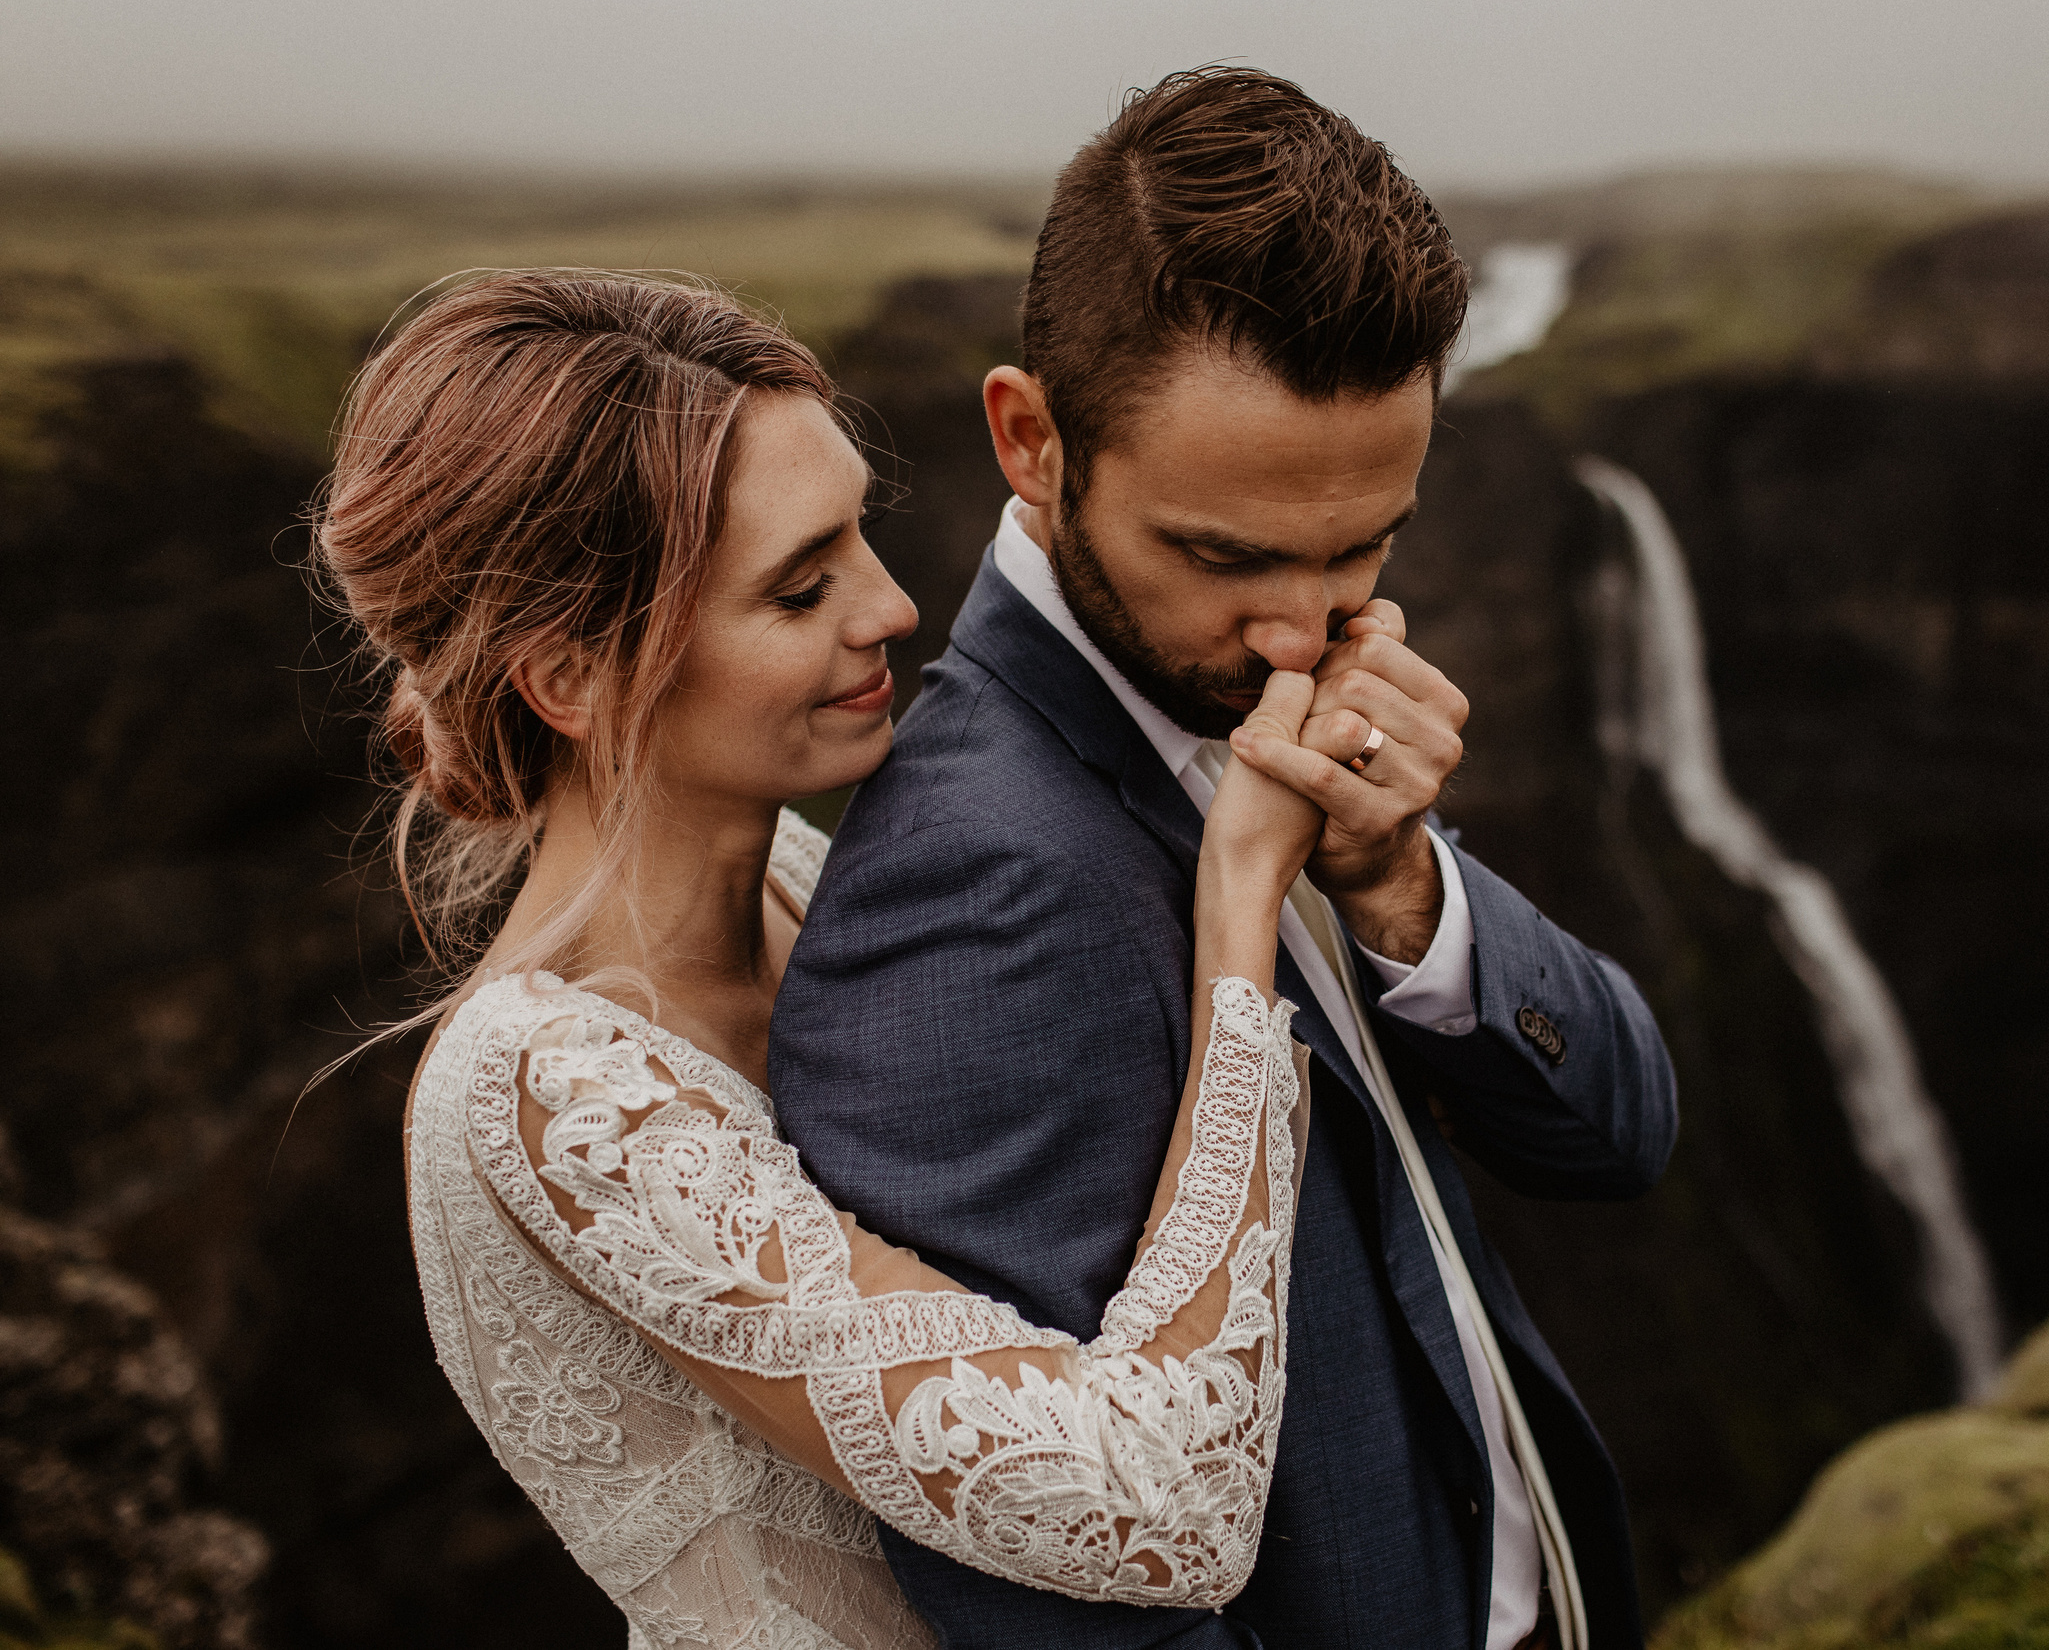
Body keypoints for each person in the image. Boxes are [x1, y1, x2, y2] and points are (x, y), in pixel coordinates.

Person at [771, 67, 1680, 1650]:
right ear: (1031, 439)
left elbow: (1624, 1133)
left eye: (1363, 546)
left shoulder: (1295, 715)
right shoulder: (967, 885)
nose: (1295, 633)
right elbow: (1044, 1582)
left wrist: (1399, 881)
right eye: (1222, 554)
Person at [317, 269, 1345, 1649]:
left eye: (861, 536)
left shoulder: (810, 890)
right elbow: (1159, 1510)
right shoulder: (549, 1093)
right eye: (801, 589)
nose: (891, 608)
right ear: (568, 679)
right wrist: (1237, 915)